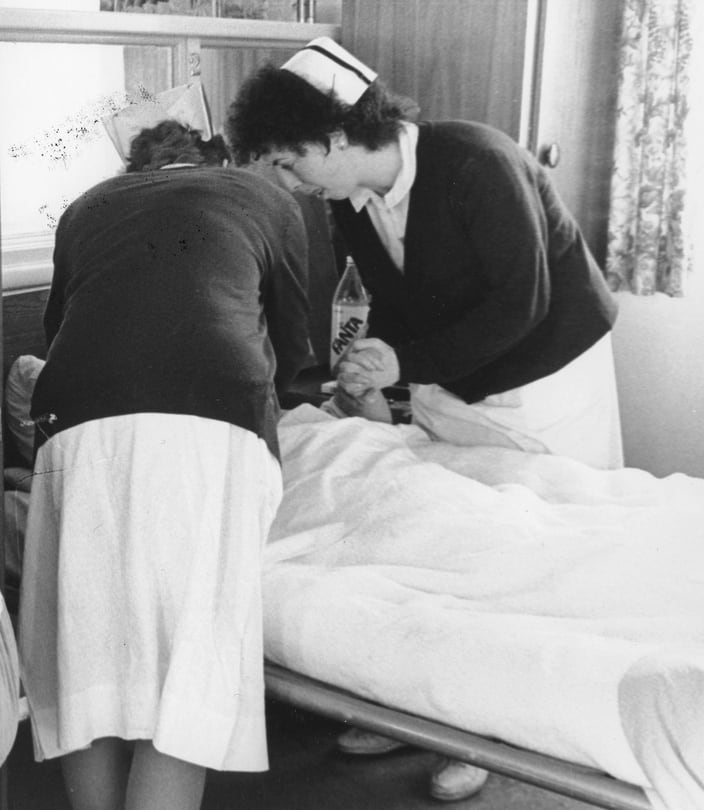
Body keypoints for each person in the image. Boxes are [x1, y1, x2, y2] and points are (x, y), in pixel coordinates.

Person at [226, 36, 624, 801]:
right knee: (462, 541)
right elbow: (403, 300)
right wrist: (384, 361)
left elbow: (523, 302)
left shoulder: (478, 162)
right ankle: (420, 702)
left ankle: (498, 736)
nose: (288, 184)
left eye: (287, 163)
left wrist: (407, 364)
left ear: (334, 139)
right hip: (458, 374)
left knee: (534, 554)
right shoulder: (351, 203)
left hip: (547, 374)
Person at [19, 117, 312, 810]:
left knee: (84, 661)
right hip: (211, 420)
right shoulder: (261, 195)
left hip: (76, 424)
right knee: (188, 675)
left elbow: (58, 328)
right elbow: (298, 351)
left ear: (134, 172)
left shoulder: (87, 207)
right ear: (220, 160)